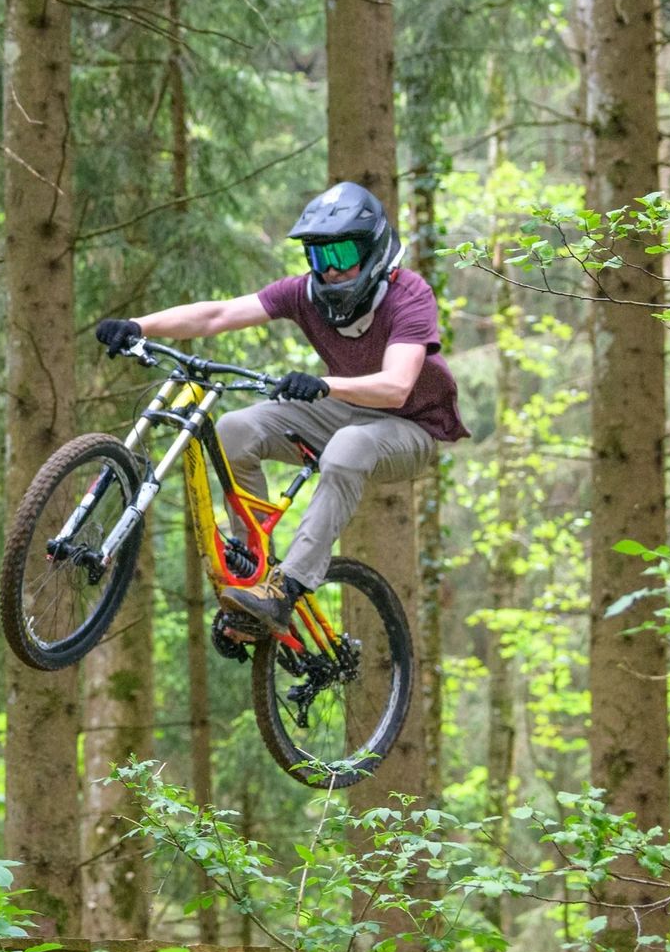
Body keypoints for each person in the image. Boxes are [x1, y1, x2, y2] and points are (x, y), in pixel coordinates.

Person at [92, 180, 468, 627]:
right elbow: (219, 314)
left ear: (374, 253)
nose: (328, 270)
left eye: (341, 256)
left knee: (348, 448)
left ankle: (287, 586)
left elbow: (396, 387)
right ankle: (253, 564)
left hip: (409, 428)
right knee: (233, 430)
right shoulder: (302, 294)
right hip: (343, 409)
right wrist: (139, 325)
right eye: (317, 256)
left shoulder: (409, 296)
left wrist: (325, 385)